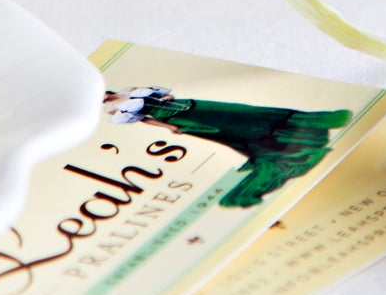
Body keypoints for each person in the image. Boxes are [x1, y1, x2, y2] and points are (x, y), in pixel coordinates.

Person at [104, 86, 352, 207]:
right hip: (179, 118)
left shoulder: (130, 90)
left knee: (242, 114)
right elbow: (144, 119)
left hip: (192, 105)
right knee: (228, 131)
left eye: (105, 93)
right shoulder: (115, 110)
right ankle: (278, 149)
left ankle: (306, 122)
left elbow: (162, 92)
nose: (104, 96)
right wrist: (169, 127)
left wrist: (166, 98)